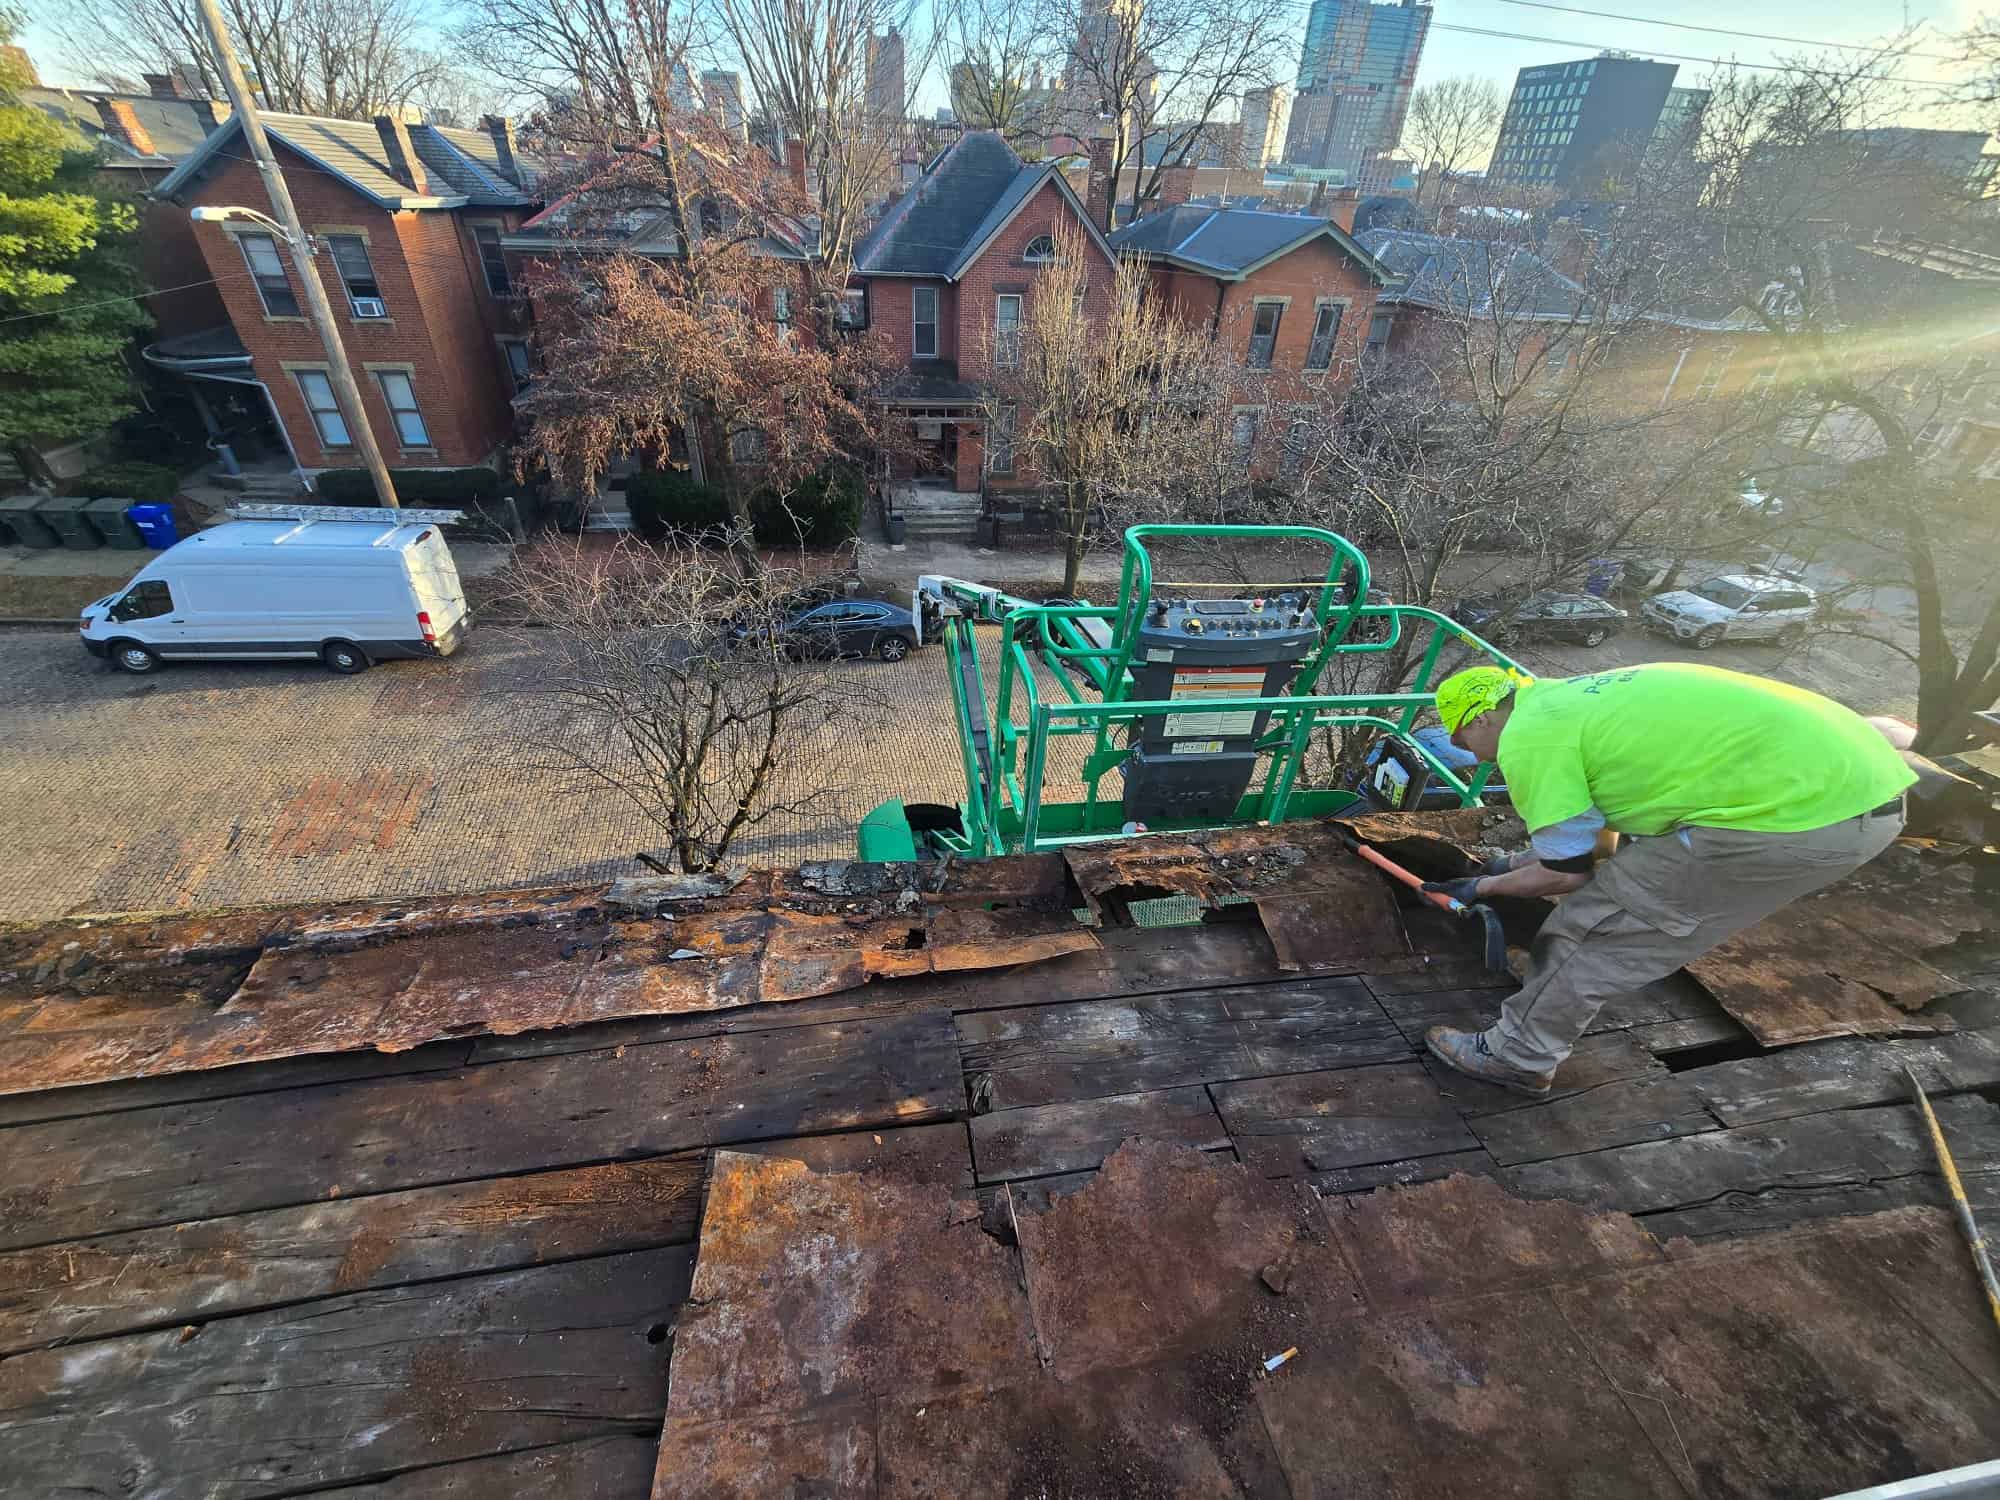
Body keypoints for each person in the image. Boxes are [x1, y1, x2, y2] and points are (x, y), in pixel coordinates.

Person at [1420, 662, 1916, 1096]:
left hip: (1793, 818)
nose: (1473, 758)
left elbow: (1566, 876)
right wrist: (1509, 866)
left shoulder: (1530, 738)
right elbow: (1598, 837)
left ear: (1481, 718)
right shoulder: (1568, 699)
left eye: (1464, 742)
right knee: (1624, 886)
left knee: (1591, 930)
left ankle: (1517, 1055)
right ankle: (1550, 993)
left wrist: (1479, 888)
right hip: (1861, 786)